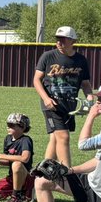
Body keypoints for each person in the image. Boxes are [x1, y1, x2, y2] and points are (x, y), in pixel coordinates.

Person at [32, 26, 94, 168]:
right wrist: (46, 99)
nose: (59, 42)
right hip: (52, 104)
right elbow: (36, 80)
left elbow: (85, 84)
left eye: (63, 39)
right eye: (57, 39)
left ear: (73, 41)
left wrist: (90, 98)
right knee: (63, 137)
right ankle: (67, 174)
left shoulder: (81, 60)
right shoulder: (48, 56)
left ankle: (44, 171)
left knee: (55, 138)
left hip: (70, 106)